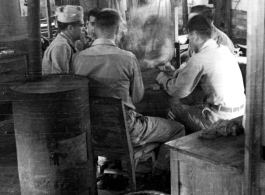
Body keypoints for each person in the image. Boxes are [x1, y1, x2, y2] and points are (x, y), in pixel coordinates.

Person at [72, 8, 185, 176]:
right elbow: (137, 97)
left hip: (93, 133)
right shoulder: (127, 58)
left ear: (95, 29)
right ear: (117, 30)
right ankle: (159, 177)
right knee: (178, 129)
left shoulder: (78, 58)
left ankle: (111, 165)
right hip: (127, 132)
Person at [156, 15, 245, 133]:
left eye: (189, 38)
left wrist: (162, 78)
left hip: (221, 120)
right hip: (240, 115)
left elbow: (178, 91)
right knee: (196, 103)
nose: (190, 42)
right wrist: (176, 72)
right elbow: (198, 66)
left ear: (194, 35)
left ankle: (183, 143)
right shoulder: (224, 50)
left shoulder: (199, 58)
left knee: (175, 109)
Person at [42, 5, 84, 74]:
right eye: (81, 26)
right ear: (70, 28)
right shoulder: (61, 46)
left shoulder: (64, 42)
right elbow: (61, 80)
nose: (83, 29)